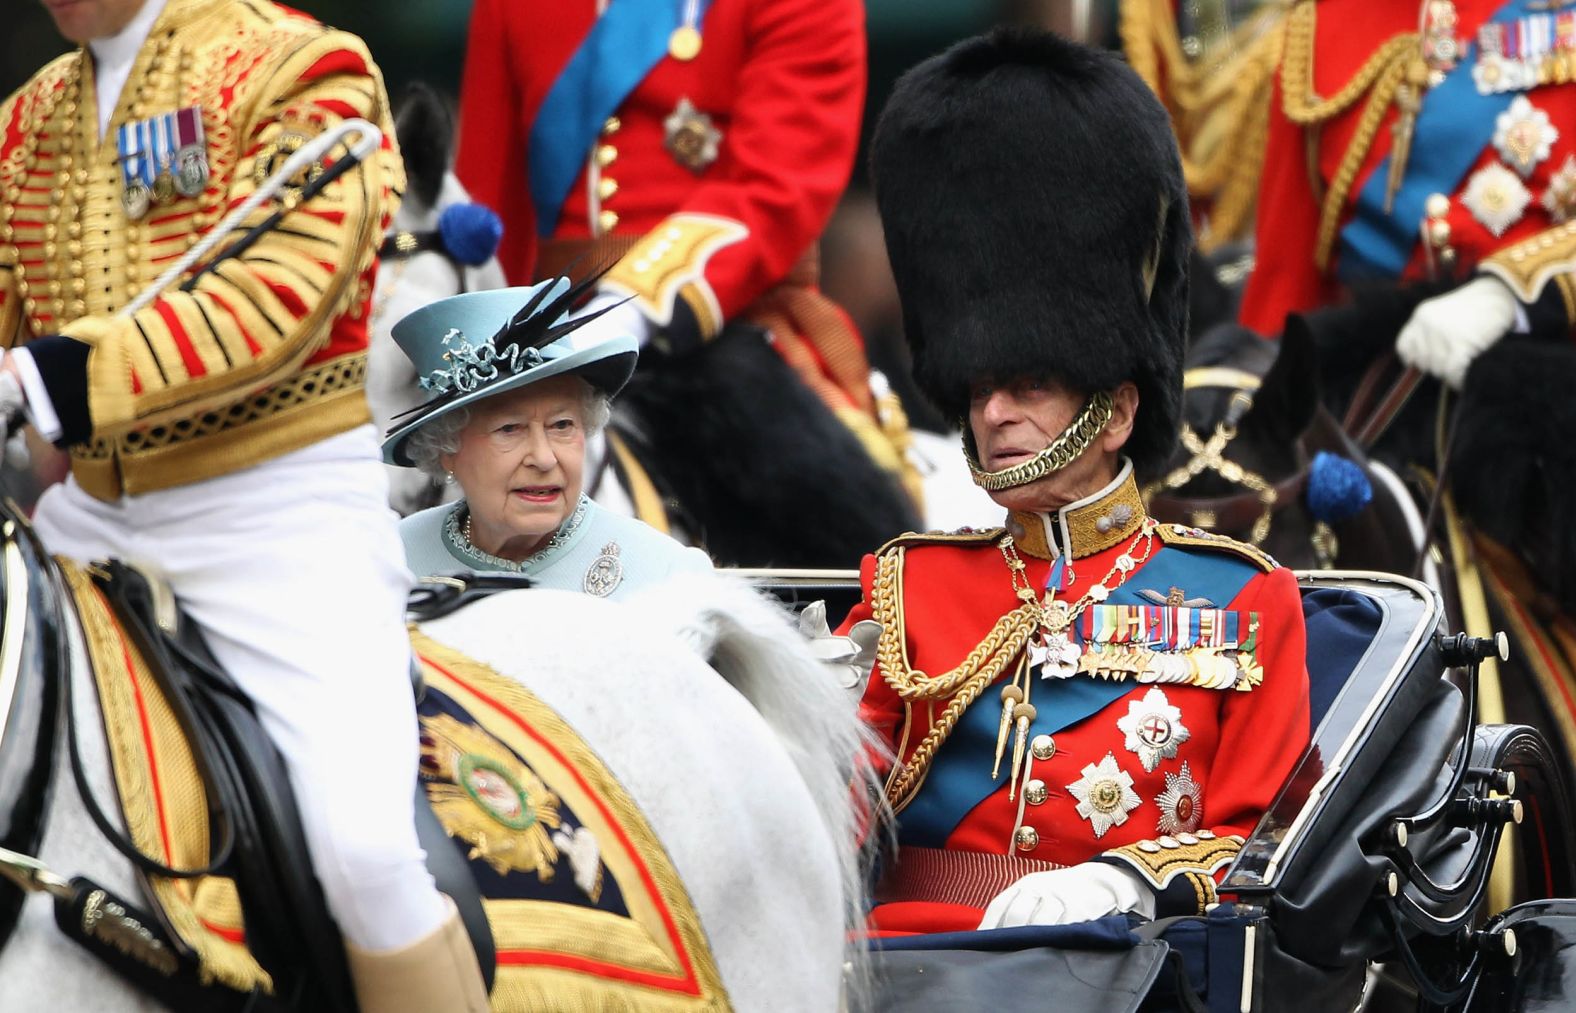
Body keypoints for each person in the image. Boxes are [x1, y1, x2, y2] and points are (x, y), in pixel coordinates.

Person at [0, 1, 487, 1008]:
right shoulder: (24, 120)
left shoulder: (302, 69)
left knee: (364, 852)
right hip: (87, 520)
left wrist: (52, 381)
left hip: (277, 520)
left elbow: (278, 289)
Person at [840, 27, 1312, 936]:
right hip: (912, 957)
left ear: (1118, 413)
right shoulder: (904, 588)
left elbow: (1269, 833)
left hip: (1128, 960)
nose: (993, 415)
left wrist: (1132, 878)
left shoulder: (1247, 600)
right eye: (980, 390)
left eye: (1029, 387)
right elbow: (833, 810)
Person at [452, 0, 924, 543]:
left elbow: (775, 188)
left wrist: (632, 305)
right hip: (547, 323)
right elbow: (491, 211)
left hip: (722, 318)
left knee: (840, 520)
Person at [1239, 0, 1576, 386]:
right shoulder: (1324, 26)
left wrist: (1514, 291)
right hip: (1368, 397)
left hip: (1548, 381)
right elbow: (1286, 279)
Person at [385, 281, 713, 592]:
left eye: (562, 426)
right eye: (509, 429)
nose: (544, 458)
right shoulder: (389, 560)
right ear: (447, 449)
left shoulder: (665, 575)